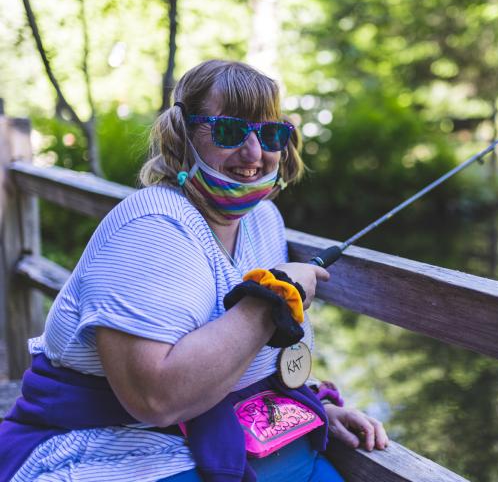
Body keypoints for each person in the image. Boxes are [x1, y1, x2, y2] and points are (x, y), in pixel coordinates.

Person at [0, 60, 388, 482]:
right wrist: (273, 301)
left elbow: (240, 364)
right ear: (182, 134)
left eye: (271, 133)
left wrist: (314, 408)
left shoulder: (264, 219)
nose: (254, 154)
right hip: (110, 449)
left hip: (241, 438)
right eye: (228, 131)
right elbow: (156, 400)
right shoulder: (150, 229)